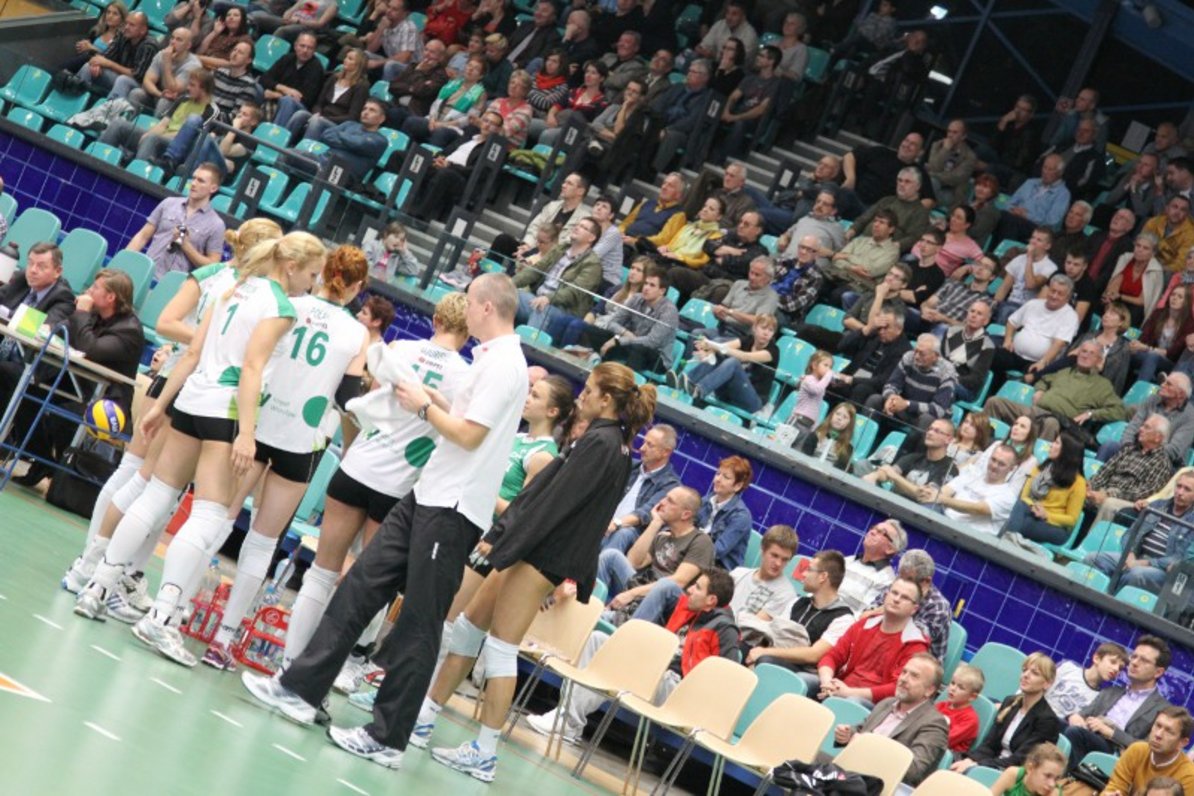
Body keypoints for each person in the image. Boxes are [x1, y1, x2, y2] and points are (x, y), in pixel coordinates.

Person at [243, 273, 529, 770]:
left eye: (471, 303)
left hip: (453, 509)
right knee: (359, 587)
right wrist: (428, 399)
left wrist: (423, 407)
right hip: (427, 493)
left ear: (486, 307)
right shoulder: (490, 359)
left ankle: (388, 737)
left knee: (419, 621)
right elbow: (462, 418)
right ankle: (300, 689)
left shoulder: (505, 365)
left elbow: (468, 436)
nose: (466, 311)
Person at [73, 232, 327, 653]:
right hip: (225, 410)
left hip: (190, 399)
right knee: (209, 514)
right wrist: (247, 433)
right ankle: (162, 617)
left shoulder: (233, 287)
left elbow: (191, 354)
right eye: (313, 274)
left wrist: (161, 404)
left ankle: (97, 586)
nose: (313, 283)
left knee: (156, 494)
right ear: (292, 267)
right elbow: (251, 368)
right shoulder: (279, 307)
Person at [413, 364, 653, 779]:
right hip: (532, 548)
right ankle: (423, 717)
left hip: (542, 554)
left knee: (501, 647)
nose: (581, 396)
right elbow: (546, 496)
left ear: (606, 400)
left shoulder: (602, 443)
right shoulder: (607, 442)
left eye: (589, 390)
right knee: (469, 627)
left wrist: (505, 539)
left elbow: (552, 506)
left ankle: (485, 751)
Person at [60, 220, 283, 608]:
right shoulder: (220, 280)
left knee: (160, 490)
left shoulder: (245, 287)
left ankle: (118, 573)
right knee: (140, 478)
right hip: (185, 383)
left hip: (195, 386)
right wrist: (211, 344)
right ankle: (94, 566)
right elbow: (165, 323)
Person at [281, 294, 473, 677]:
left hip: (357, 467)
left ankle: (289, 664)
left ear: (435, 320)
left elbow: (361, 407)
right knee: (371, 584)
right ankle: (345, 669)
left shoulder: (398, 349)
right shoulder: (466, 378)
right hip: (398, 486)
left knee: (321, 571)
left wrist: (353, 450)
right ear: (468, 333)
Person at [197, 247, 370, 669]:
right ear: (358, 286)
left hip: (257, 425)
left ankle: (180, 606)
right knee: (262, 541)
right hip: (301, 440)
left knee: (219, 517)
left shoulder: (289, 303)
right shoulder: (356, 333)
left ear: (323, 272)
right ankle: (223, 640)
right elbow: (347, 397)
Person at [525, 567, 739, 747]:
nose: (690, 590)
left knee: (618, 664)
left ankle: (567, 723)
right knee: (598, 640)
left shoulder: (724, 629)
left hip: (678, 691)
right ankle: (568, 720)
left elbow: (728, 686)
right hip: (657, 674)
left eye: (697, 587)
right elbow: (665, 591)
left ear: (711, 600)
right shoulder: (690, 609)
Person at [0, 269, 146, 487]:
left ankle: (61, 476)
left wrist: (82, 312)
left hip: (106, 397)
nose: (89, 291)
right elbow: (62, 329)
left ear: (110, 297)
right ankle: (41, 459)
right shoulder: (95, 314)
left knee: (62, 415)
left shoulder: (129, 329)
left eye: (95, 288)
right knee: (19, 384)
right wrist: (48, 328)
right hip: (75, 381)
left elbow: (91, 349)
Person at [827, 653, 949, 786]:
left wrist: (868, 748)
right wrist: (847, 734)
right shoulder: (887, 703)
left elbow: (913, 771)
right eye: (904, 672)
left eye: (914, 676)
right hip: (851, 774)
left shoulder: (935, 724)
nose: (903, 679)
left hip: (882, 787)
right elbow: (861, 729)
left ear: (929, 690)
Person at [598, 485, 714, 625]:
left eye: (670, 501)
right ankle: (593, 605)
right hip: (643, 588)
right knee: (611, 555)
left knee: (666, 585)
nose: (662, 502)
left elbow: (679, 581)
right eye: (665, 497)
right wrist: (655, 523)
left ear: (685, 514)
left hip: (668, 603)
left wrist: (632, 593)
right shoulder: (663, 536)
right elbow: (634, 563)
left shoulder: (701, 541)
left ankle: (625, 625)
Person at [816, 576, 929, 707]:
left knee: (851, 703)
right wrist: (827, 682)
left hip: (874, 704)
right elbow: (832, 656)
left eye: (905, 597)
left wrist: (849, 693)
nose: (896, 599)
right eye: (894, 593)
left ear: (914, 609)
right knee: (804, 679)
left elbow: (897, 688)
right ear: (886, 596)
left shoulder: (916, 646)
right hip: (839, 688)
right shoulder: (865, 624)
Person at [1061, 636, 1173, 767]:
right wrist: (1074, 716)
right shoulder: (1110, 691)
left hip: (1117, 753)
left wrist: (1111, 733)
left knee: (1075, 734)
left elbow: (1149, 748)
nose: (1134, 663)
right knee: (1053, 722)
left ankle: (1061, 776)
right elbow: (1083, 714)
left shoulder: (1162, 710)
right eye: (1134, 657)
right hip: (1089, 734)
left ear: (1158, 672)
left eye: (1144, 660)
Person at [746, 548, 855, 673]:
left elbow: (814, 655)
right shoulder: (797, 602)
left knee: (765, 660)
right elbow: (776, 635)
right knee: (745, 647)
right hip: (777, 658)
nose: (803, 574)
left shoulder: (843, 618)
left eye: (809, 569)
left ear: (823, 577)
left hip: (806, 672)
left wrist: (765, 652)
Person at [1085, 470, 1194, 593]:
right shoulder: (1157, 505)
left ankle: (1109, 599)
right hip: (1136, 557)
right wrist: (1130, 553)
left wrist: (1144, 563)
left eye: (1187, 489)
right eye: (1179, 486)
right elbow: (1131, 533)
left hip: (1160, 569)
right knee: (1093, 559)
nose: (1180, 492)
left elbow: (1180, 558)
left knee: (1135, 574)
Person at [951, 653, 1062, 773]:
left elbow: (1019, 761)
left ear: (1047, 683)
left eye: (1035, 673)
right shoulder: (1010, 702)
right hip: (991, 763)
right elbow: (989, 745)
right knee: (949, 760)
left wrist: (976, 765)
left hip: (1012, 774)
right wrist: (969, 760)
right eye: (1024, 670)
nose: (1025, 675)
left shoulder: (1047, 720)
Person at [125, 163, 226, 280]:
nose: (193, 183)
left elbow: (212, 267)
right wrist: (123, 263)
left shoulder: (216, 225)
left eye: (201, 181)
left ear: (213, 188)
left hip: (175, 285)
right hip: (145, 274)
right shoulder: (168, 203)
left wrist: (186, 246)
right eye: (193, 178)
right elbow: (142, 236)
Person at [578, 265, 679, 374]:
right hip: (631, 345)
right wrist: (625, 333)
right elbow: (613, 322)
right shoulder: (637, 298)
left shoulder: (669, 311)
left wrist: (619, 341)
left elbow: (651, 342)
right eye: (645, 283)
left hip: (657, 358)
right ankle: (587, 368)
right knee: (592, 331)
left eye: (652, 285)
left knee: (639, 349)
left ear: (662, 291)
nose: (646, 288)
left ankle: (622, 381)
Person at [1083, 414, 1175, 527]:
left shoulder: (1162, 463)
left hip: (1128, 501)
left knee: (1109, 504)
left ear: (1158, 437)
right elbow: (1105, 471)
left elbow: (1143, 493)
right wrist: (1091, 486)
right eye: (1142, 425)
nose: (1140, 429)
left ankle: (1094, 538)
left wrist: (1108, 494)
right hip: (1105, 491)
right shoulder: (1129, 449)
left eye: (1146, 427)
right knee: (1079, 490)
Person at [601, 422, 680, 552]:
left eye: (650, 445)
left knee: (623, 533)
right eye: (644, 442)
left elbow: (646, 512)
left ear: (666, 452)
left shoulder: (671, 484)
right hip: (606, 521)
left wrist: (616, 523)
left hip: (631, 533)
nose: (642, 448)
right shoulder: (629, 466)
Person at [990, 274, 1080, 387]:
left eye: (1060, 293)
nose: (1054, 296)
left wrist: (1043, 361)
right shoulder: (1033, 304)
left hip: (1038, 362)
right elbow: (1012, 322)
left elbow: (1059, 344)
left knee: (1036, 377)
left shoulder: (1070, 316)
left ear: (1067, 298)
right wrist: (1008, 340)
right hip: (1014, 353)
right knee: (989, 356)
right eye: (1053, 291)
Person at [1002, 431, 1087, 545]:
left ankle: (1002, 546)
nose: (1051, 445)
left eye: (1056, 443)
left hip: (1056, 527)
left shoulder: (1079, 483)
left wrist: (1046, 515)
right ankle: (1006, 545)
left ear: (1067, 451)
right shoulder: (1040, 469)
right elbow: (1024, 497)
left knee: (1016, 520)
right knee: (1016, 509)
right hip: (1030, 512)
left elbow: (1072, 520)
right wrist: (1033, 506)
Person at [681, 315, 778, 413]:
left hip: (753, 401)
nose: (766, 333)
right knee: (718, 355)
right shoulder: (749, 339)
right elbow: (723, 346)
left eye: (770, 330)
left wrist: (714, 346)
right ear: (754, 328)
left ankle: (699, 391)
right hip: (730, 393)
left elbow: (744, 356)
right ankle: (688, 382)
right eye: (763, 328)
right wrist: (709, 350)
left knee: (733, 362)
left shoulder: (773, 351)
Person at [275, 48, 369, 143]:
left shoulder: (362, 86)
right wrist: (317, 113)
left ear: (358, 65)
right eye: (346, 57)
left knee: (316, 122)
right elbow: (319, 103)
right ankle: (279, 142)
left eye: (350, 59)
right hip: (320, 116)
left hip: (336, 124)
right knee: (300, 114)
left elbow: (352, 117)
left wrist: (323, 118)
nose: (345, 60)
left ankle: (303, 150)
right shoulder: (334, 77)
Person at [866, 334, 958, 432]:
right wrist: (891, 397)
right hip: (903, 409)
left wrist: (907, 404)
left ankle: (906, 443)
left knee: (926, 419)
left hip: (926, 416)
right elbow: (891, 384)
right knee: (875, 399)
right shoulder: (909, 357)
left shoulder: (947, 371)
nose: (916, 356)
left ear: (936, 356)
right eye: (916, 351)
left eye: (922, 354)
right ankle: (864, 437)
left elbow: (938, 409)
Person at [1099, 373, 1194, 465]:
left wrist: (1145, 455)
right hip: (1135, 449)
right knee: (1109, 446)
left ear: (1181, 394)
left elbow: (1174, 450)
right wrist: (1128, 447)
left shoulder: (1190, 416)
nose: (1162, 385)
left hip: (1163, 462)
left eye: (1168, 384)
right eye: (1164, 382)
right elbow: (1133, 426)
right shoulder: (1152, 399)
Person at [928, 443, 1020, 536]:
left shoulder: (1008, 496)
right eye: (993, 459)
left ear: (1012, 469)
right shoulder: (972, 474)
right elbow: (944, 491)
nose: (994, 466)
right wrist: (930, 493)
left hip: (966, 535)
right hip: (942, 518)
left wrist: (941, 499)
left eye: (1001, 464)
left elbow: (976, 509)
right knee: (926, 503)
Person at [863, 418, 957, 505]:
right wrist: (875, 476)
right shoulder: (914, 457)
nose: (930, 433)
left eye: (937, 431)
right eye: (930, 429)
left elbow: (925, 496)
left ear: (948, 439)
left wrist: (895, 477)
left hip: (914, 510)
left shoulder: (949, 469)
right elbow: (887, 473)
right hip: (891, 500)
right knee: (862, 465)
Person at [1102, 709, 1194, 794]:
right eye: (1158, 726)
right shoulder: (1137, 750)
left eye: (1169, 732)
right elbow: (1114, 787)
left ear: (1182, 743)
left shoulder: (1189, 776)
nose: (1158, 734)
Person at [848, 168, 933, 255]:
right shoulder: (887, 201)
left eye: (907, 182)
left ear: (918, 186)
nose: (902, 184)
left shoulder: (920, 212)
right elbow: (863, 219)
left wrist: (890, 247)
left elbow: (913, 238)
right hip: (861, 243)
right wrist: (851, 231)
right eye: (899, 180)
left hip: (885, 252)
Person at [691, 455, 754, 571]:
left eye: (726, 477)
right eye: (718, 474)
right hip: (695, 556)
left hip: (720, 569)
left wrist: (687, 550)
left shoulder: (741, 516)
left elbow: (717, 551)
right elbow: (687, 526)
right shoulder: (706, 500)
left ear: (738, 486)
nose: (718, 479)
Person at [0, 242, 78, 332]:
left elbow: (42, 329)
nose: (33, 270)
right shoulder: (21, 278)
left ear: (57, 271)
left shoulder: (64, 297)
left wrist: (7, 313)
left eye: (41, 266)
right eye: (30, 263)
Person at [729, 524, 800, 621]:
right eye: (774, 555)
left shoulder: (786, 593)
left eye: (784, 559)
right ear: (762, 550)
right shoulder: (738, 574)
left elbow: (751, 626)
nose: (778, 563)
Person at [74, 11, 157, 93]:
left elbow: (136, 75)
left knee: (123, 80)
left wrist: (109, 64)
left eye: (132, 25)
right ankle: (75, 95)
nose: (126, 27)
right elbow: (105, 56)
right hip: (118, 76)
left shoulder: (149, 45)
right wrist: (96, 64)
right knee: (88, 67)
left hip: (139, 87)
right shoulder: (123, 34)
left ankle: (112, 102)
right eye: (126, 23)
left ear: (143, 30)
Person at [1045, 642, 1129, 723]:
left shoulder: (1099, 698)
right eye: (1113, 662)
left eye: (1120, 668)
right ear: (1097, 658)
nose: (1116, 669)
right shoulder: (1068, 667)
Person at [838, 519, 907, 616]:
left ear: (890, 549)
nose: (873, 532)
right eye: (874, 528)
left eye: (882, 532)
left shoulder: (886, 580)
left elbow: (862, 615)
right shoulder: (848, 560)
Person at [997, 154, 1071, 243]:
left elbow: (1051, 222)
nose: (1045, 172)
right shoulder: (1030, 182)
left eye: (1050, 169)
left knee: (1010, 221)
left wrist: (1027, 215)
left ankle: (1001, 251)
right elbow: (1010, 202)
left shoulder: (1063, 194)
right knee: (997, 215)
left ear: (1060, 172)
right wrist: (1013, 210)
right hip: (1014, 218)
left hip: (1037, 229)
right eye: (1044, 167)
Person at [992, 227, 1058, 324]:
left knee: (1007, 312)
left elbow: (1030, 285)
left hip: (1027, 310)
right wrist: (994, 304)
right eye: (1033, 238)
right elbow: (1005, 286)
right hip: (1008, 304)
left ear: (1047, 246)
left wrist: (1029, 258)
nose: (1033, 242)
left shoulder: (1050, 267)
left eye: (1039, 240)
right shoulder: (1019, 259)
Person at [1105, 233, 1165, 329]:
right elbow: (1113, 285)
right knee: (1105, 303)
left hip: (1135, 307)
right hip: (1118, 300)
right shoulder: (1125, 258)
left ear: (1153, 253)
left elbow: (1142, 301)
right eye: (1138, 245)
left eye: (1145, 248)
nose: (1140, 250)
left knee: (1135, 312)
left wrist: (1120, 296)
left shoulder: (1155, 270)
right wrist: (1111, 295)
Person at [260, 32, 327, 115]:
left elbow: (304, 99)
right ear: (295, 46)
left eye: (310, 48)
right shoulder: (287, 58)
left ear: (314, 51)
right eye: (302, 46)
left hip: (297, 108)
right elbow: (264, 78)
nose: (305, 50)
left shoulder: (316, 68)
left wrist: (276, 95)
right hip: (275, 98)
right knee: (257, 88)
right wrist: (284, 88)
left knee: (287, 101)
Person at [926, 119, 977, 208]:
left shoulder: (970, 156)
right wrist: (945, 150)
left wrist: (932, 174)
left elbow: (954, 178)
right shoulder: (937, 145)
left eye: (955, 132)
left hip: (951, 192)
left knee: (932, 182)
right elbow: (934, 167)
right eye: (949, 131)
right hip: (933, 184)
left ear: (963, 136)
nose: (950, 135)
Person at [989, 742, 1068, 796]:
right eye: (1047, 776)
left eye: (1056, 779)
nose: (1052, 784)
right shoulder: (1013, 775)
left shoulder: (1055, 793)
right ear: (1030, 768)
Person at [938, 665, 984, 754]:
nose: (953, 688)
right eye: (952, 683)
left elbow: (946, 740)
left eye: (960, 687)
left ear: (972, 696)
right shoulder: (940, 706)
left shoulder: (970, 719)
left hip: (948, 755)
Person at [797, 402, 857, 471]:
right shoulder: (815, 435)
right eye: (837, 414)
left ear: (850, 423)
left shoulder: (847, 448)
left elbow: (839, 470)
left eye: (845, 417)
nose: (839, 418)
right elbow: (804, 456)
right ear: (832, 415)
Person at [1142, 195, 1194, 273]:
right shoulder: (1154, 222)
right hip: (1145, 261)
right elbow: (1140, 245)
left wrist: (1156, 269)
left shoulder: (1191, 234)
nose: (1177, 212)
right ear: (1167, 208)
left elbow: (1181, 264)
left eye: (1183, 210)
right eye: (1174, 207)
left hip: (1167, 271)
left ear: (1186, 214)